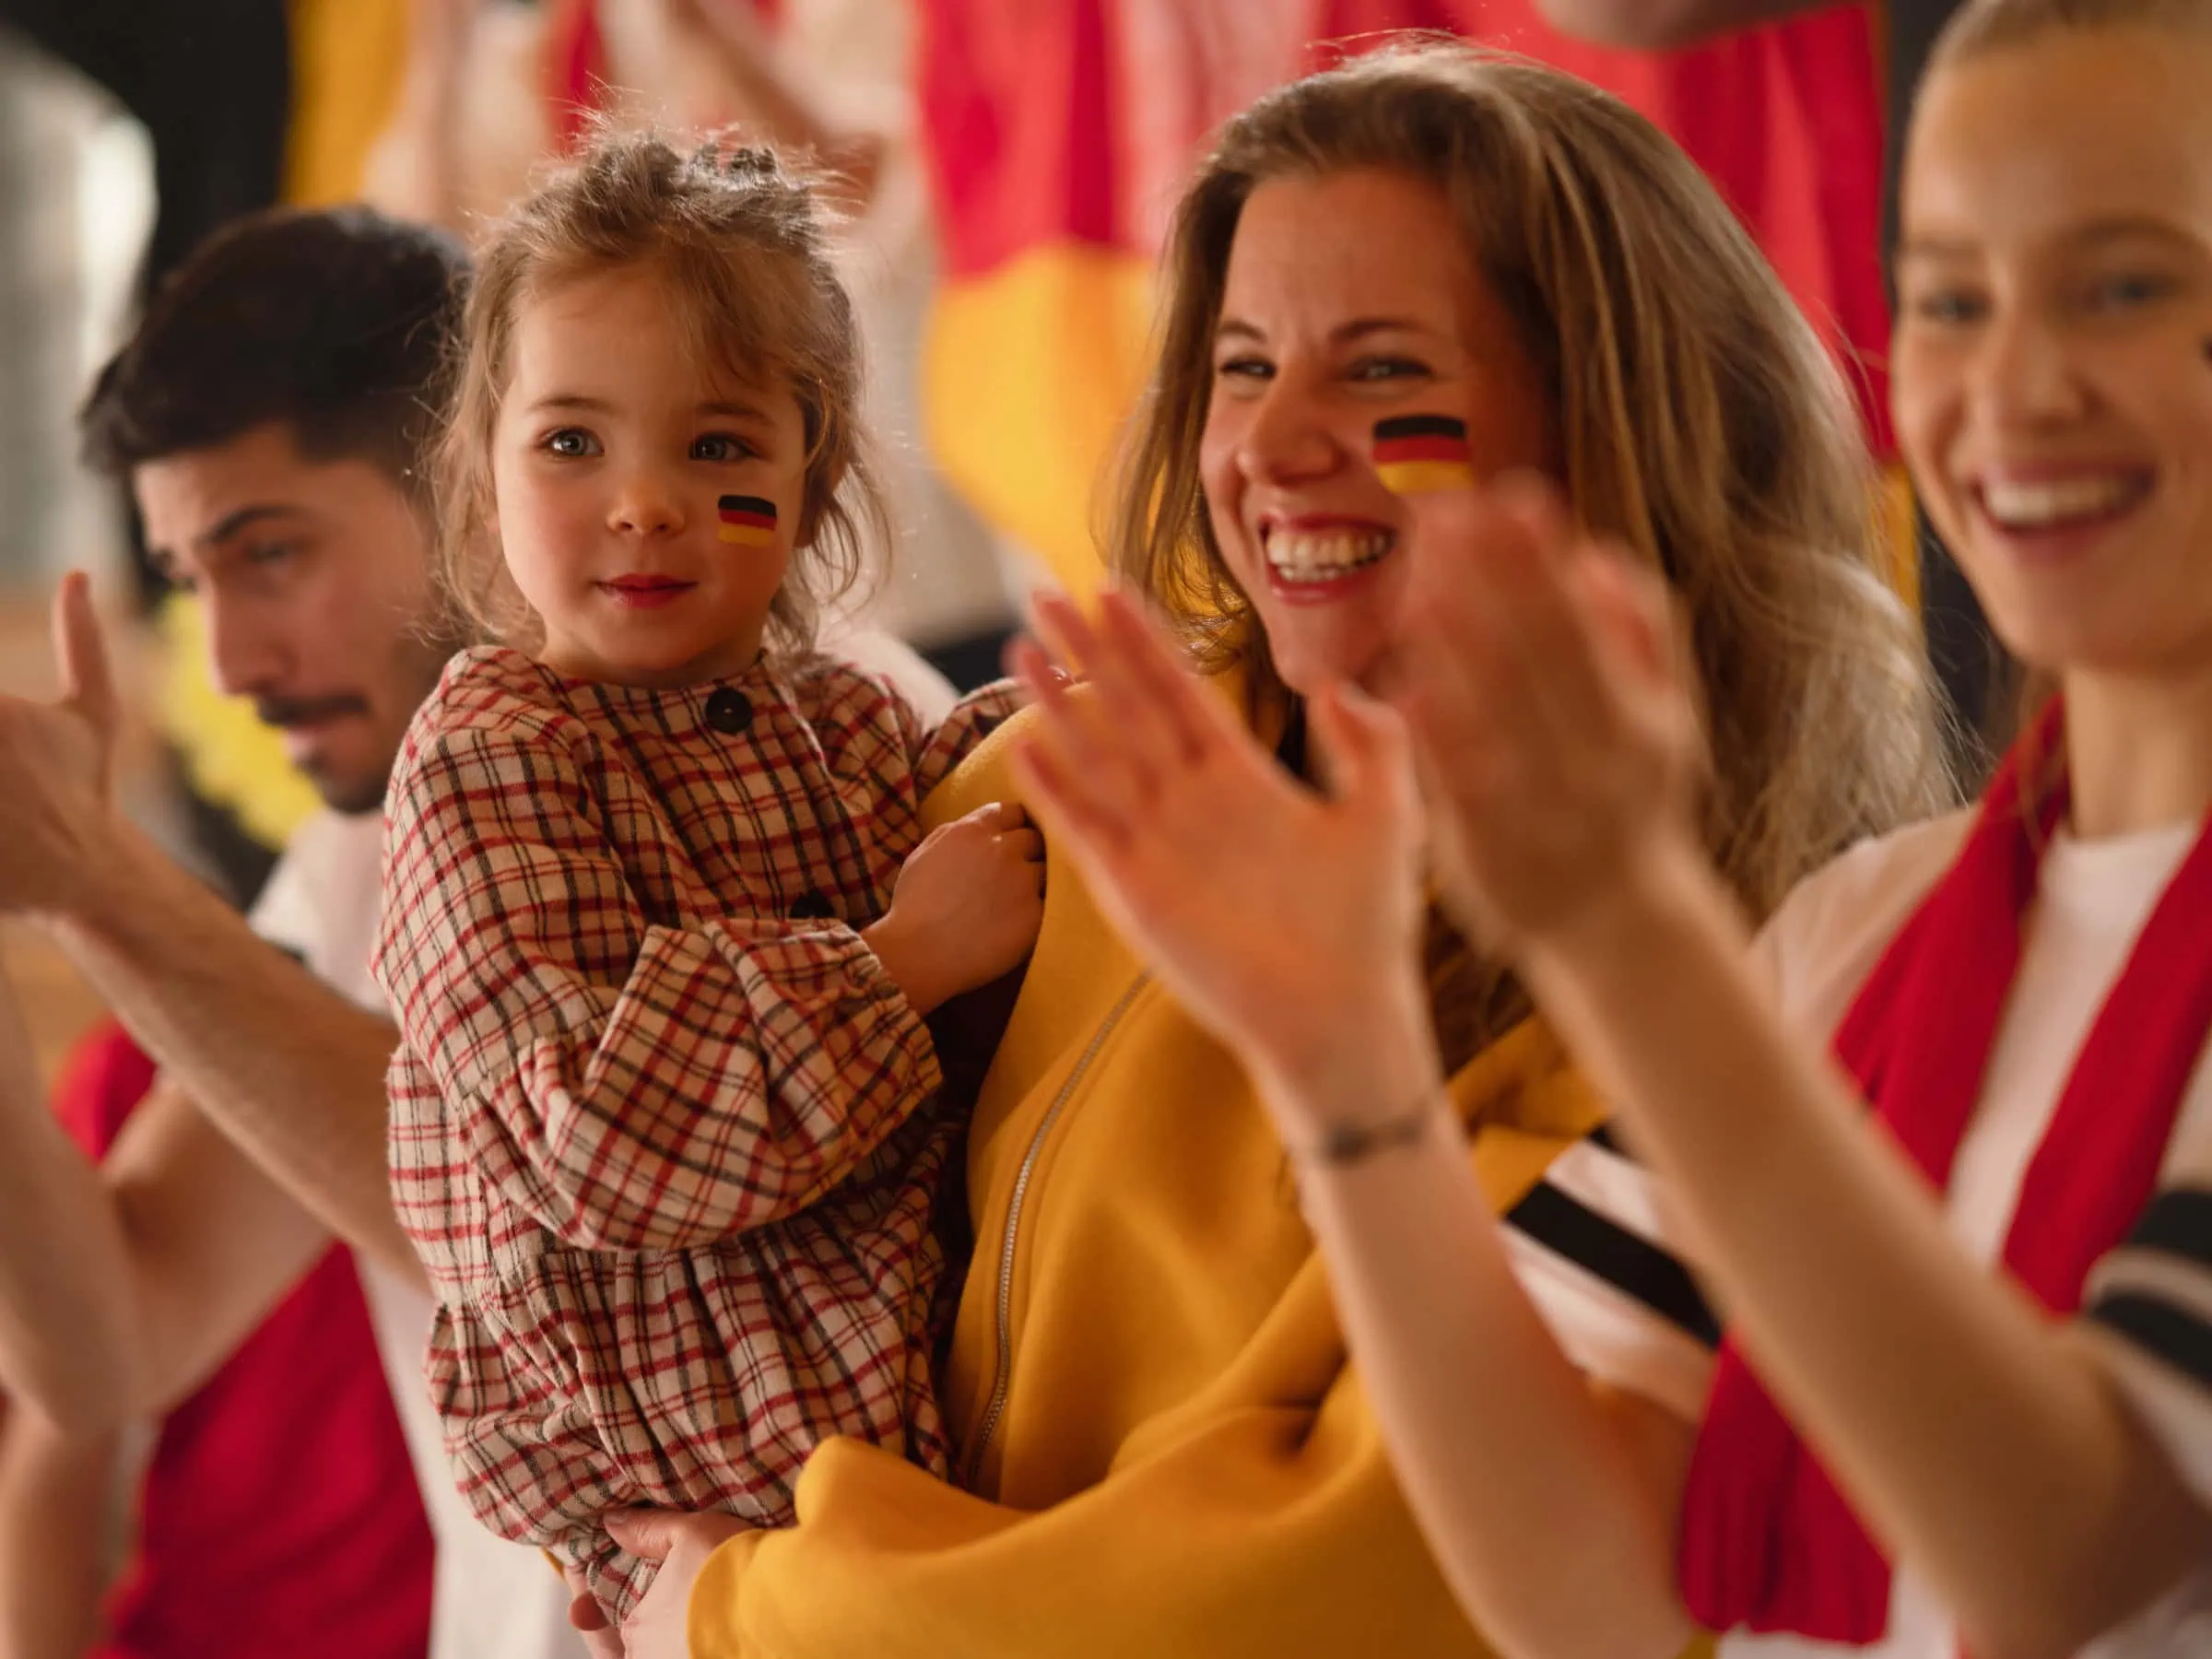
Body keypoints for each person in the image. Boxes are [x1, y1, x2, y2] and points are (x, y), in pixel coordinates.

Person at [571, 42, 1954, 1657]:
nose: (1275, 445)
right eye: (1237, 365)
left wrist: (747, 1613)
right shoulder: (1039, 798)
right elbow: (618, 1189)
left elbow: (1335, 1578)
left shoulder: (1708, 971)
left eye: (1380, 372)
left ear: (1612, 426)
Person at [1007, 1, 2212, 1655]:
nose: (2014, 382)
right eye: (1948, 300)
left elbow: (2068, 1552)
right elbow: (1605, 1606)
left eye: (2127, 285)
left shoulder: (1708, 955)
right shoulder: (1868, 929)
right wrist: (1344, 1063)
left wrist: (1621, 933)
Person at [0, 203, 963, 1659]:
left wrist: (105, 884)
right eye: (191, 579)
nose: (231, 661)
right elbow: (116, 1337)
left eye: (270, 555)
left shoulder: (809, 715)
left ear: (452, 464)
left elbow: (573, 1191)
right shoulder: (344, 862)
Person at [372, 130, 1041, 1622]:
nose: (645, 502)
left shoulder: (852, 722)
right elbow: (597, 1137)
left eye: (720, 447)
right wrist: (896, 966)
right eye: (570, 442)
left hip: (925, 1471)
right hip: (723, 1528)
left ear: (812, 481)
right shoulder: (488, 758)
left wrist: (1091, 726)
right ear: (482, 480)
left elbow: (988, 867)